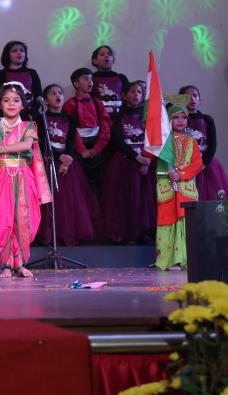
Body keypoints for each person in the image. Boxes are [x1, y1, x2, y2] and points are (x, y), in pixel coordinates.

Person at [0, 83, 51, 279]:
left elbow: (26, 145)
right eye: (6, 100)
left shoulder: (28, 126)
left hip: (24, 177)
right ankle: (6, 265)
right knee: (3, 221)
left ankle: (21, 264)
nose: (11, 104)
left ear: (23, 105)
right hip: (1, 177)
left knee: (25, 221)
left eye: (16, 100)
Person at [37, 84, 101, 247]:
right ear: (46, 100)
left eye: (59, 93)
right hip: (49, 160)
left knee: (68, 199)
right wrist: (59, 157)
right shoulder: (41, 118)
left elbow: (71, 141)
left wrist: (68, 160)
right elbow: (42, 142)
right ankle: (49, 233)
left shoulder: (70, 119)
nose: (57, 96)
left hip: (67, 162)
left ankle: (67, 232)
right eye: (52, 94)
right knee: (50, 199)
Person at [101, 82, 156, 244]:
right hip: (126, 162)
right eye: (132, 92)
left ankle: (143, 233)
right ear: (124, 95)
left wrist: (146, 161)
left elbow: (152, 140)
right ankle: (127, 234)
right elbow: (118, 141)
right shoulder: (118, 116)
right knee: (126, 199)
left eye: (139, 92)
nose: (136, 95)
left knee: (144, 198)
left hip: (146, 162)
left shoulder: (147, 117)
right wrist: (136, 157)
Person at [154, 100, 203, 271]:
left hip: (185, 188)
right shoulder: (162, 142)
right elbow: (152, 157)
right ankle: (168, 261)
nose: (180, 120)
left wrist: (181, 175)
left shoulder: (192, 142)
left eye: (183, 117)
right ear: (169, 120)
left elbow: (197, 163)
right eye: (175, 117)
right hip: (167, 186)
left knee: (185, 221)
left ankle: (185, 259)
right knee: (167, 220)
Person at [179, 85, 228, 201]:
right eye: (188, 96)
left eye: (195, 96)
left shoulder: (207, 120)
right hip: (185, 164)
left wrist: (203, 163)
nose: (192, 99)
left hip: (206, 164)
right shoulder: (178, 120)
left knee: (208, 197)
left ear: (200, 99)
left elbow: (212, 144)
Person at [63, 67, 111, 194]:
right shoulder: (70, 104)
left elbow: (105, 126)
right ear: (76, 83)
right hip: (78, 146)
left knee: (97, 180)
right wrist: (82, 150)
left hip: (96, 144)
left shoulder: (97, 103)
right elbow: (70, 130)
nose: (90, 82)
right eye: (85, 79)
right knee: (79, 180)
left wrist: (97, 148)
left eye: (91, 79)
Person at [0, 41, 42, 114]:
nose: (19, 53)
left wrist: (32, 114)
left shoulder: (32, 73)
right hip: (7, 115)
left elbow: (38, 96)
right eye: (14, 51)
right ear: (8, 55)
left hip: (29, 115)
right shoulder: (2, 74)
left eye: (21, 50)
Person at [91, 45, 129, 116]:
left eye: (109, 54)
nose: (106, 56)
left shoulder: (121, 78)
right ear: (95, 61)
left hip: (119, 118)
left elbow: (128, 100)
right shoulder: (91, 79)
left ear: (113, 59)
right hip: (98, 118)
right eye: (102, 54)